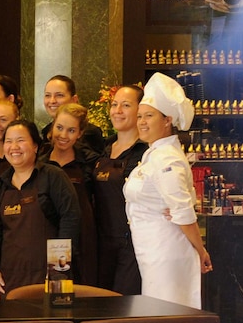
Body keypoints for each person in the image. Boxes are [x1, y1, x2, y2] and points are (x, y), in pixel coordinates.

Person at [123, 72, 212, 309]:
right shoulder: (154, 153)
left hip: (168, 251)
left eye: (149, 116)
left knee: (167, 316)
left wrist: (200, 251)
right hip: (152, 250)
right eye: (139, 116)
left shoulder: (167, 159)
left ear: (167, 120)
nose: (141, 122)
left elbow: (183, 212)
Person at [0, 120, 80, 299]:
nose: (14, 147)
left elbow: (71, 219)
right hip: (9, 277)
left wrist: (58, 272)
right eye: (8, 141)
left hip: (51, 276)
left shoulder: (53, 176)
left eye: (20, 140)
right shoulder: (1, 183)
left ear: (35, 146)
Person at [93, 85, 148, 294]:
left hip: (131, 244)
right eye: (114, 105)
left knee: (124, 306)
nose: (117, 111)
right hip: (101, 242)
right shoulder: (103, 149)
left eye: (125, 105)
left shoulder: (146, 152)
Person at [39, 103, 99, 286]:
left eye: (71, 130)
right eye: (59, 128)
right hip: (44, 239)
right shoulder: (39, 162)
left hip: (82, 242)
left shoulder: (89, 162)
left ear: (80, 133)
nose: (63, 136)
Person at [41, 75, 105, 154]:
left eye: (59, 95)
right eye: (48, 95)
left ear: (74, 99)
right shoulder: (46, 131)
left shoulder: (89, 133)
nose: (52, 101)